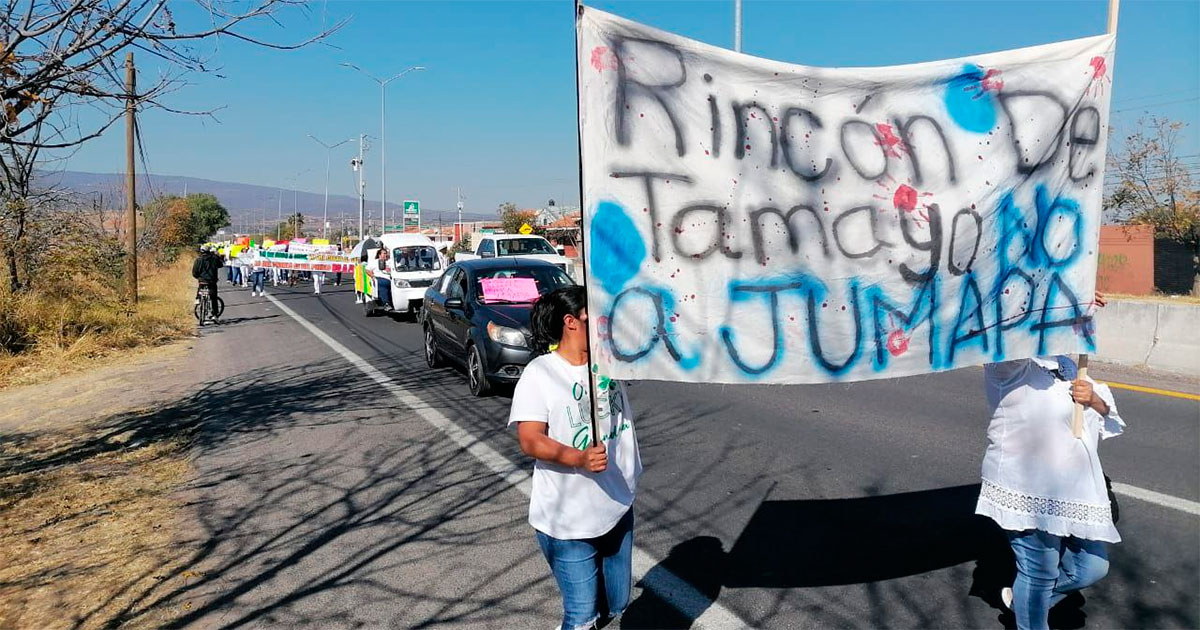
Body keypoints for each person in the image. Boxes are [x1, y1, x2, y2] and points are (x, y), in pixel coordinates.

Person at [975, 293, 1124, 630]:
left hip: (1073, 490)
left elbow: (1102, 418)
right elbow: (1014, 324)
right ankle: (1031, 609)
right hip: (1025, 486)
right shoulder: (1007, 365)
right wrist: (1061, 295)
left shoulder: (1068, 366)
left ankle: (1025, 599)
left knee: (1091, 567)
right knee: (1039, 571)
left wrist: (1095, 400)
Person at [508, 286, 641, 630]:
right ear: (570, 321)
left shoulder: (611, 360)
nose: (601, 321)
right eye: (591, 314)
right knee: (582, 617)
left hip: (616, 505)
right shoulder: (541, 373)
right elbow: (530, 439)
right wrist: (578, 459)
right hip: (566, 520)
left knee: (615, 604)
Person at [191, 245, 223, 320]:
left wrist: (198, 277)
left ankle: (198, 298)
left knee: (201, 287)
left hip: (202, 280)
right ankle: (215, 314)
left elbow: (194, 272)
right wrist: (217, 256)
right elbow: (220, 265)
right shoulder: (214, 258)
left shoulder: (198, 260)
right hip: (212, 280)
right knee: (214, 298)